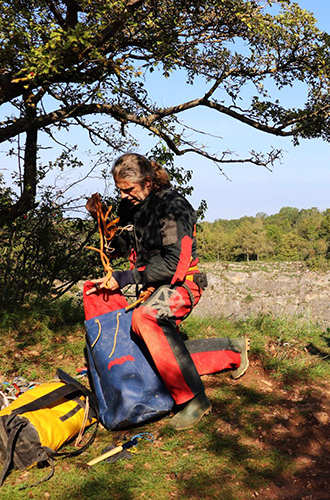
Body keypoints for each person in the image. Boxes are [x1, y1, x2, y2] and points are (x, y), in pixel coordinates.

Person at [87, 153, 249, 430]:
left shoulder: (173, 207)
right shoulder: (131, 207)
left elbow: (175, 265)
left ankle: (195, 400)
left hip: (183, 282)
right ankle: (231, 350)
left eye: (129, 190)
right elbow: (123, 248)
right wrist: (103, 226)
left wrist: (124, 278)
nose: (123, 196)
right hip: (151, 282)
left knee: (146, 318)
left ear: (148, 182)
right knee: (143, 347)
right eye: (119, 191)